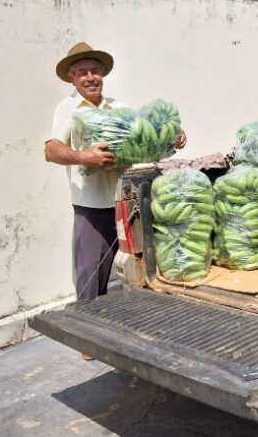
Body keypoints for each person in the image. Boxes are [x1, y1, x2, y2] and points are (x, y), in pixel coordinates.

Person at [45, 43, 186, 352]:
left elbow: (143, 139)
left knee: (133, 265)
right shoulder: (67, 110)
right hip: (91, 204)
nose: (90, 77)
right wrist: (85, 157)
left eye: (95, 71)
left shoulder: (117, 107)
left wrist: (172, 138)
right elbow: (51, 150)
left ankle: (124, 329)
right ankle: (86, 339)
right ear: (72, 79)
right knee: (90, 273)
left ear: (103, 75)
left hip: (124, 201)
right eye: (82, 73)